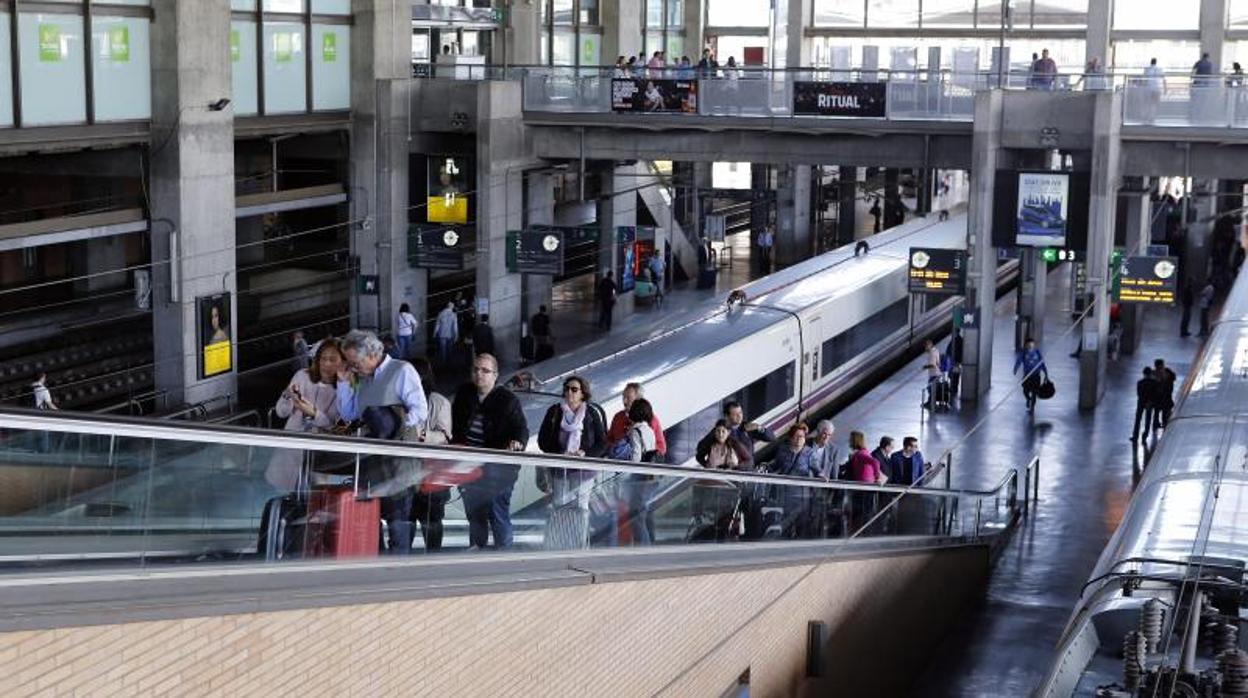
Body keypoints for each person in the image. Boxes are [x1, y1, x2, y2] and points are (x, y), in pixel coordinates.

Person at [335, 331, 428, 555]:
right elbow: (349, 414)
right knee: (371, 522)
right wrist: (343, 384)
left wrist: (394, 423)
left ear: (372, 354)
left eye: (355, 363)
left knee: (398, 524)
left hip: (399, 463)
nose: (353, 368)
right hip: (372, 463)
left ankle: (399, 575)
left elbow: (421, 410)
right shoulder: (363, 380)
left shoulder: (402, 370)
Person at [451, 353, 528, 549]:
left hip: (498, 472)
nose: (479, 374)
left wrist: (517, 442)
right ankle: (477, 555)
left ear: (495, 375)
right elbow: (457, 430)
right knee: (475, 514)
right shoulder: (464, 394)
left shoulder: (507, 400)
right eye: (476, 369)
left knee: (497, 512)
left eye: (485, 370)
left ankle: (504, 558)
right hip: (470, 468)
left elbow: (521, 429)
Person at [537, 375, 607, 549]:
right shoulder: (555, 411)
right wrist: (561, 453)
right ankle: (559, 544)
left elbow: (602, 443)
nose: (569, 392)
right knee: (560, 505)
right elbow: (543, 441)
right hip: (561, 469)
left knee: (581, 508)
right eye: (567, 388)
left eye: (574, 389)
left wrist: (585, 453)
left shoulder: (591, 413)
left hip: (584, 470)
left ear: (583, 393)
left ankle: (578, 545)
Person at [409, 357, 453, 551]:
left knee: (432, 522)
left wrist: (420, 435)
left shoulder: (439, 402)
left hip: (431, 476)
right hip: (406, 473)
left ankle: (433, 561)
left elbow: (445, 437)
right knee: (405, 520)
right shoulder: (399, 400)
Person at [617, 398, 660, 544]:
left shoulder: (636, 431)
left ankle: (642, 549)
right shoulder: (649, 429)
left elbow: (636, 456)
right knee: (644, 516)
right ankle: (647, 547)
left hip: (639, 479)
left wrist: (627, 470)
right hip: (651, 477)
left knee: (636, 518)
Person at [767, 424, 819, 538]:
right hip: (785, 494)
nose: (799, 439)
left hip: (802, 495)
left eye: (802, 436)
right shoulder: (783, 450)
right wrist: (766, 468)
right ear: (790, 438)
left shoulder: (809, 452)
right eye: (796, 436)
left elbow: (817, 469)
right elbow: (776, 466)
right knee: (785, 523)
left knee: (801, 525)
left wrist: (822, 475)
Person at [698, 400, 774, 468]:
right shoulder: (719, 431)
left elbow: (771, 438)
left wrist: (759, 428)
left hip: (747, 473)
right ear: (726, 416)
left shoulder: (747, 427)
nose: (740, 416)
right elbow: (700, 450)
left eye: (740, 412)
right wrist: (709, 468)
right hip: (728, 476)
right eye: (735, 414)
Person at [608, 383, 668, 459]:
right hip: (618, 463)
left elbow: (661, 447)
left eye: (628, 398)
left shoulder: (650, 419)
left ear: (638, 400)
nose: (624, 401)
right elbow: (609, 439)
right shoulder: (618, 417)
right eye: (623, 397)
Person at [1013, 337, 1048, 413]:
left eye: (1032, 344)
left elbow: (1042, 363)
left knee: (1034, 392)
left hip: (1036, 375)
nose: (1030, 346)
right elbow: (1019, 361)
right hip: (1027, 375)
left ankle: (1032, 409)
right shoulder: (1023, 353)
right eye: (1028, 344)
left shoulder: (1037, 352)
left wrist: (1046, 374)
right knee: (1025, 391)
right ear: (1025, 345)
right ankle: (1028, 399)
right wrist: (1015, 369)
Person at [1130, 366, 1158, 444]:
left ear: (1144, 374)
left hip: (1141, 403)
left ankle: (1135, 436)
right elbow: (1156, 394)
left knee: (1138, 420)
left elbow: (1138, 393)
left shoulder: (1140, 382)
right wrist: (1151, 401)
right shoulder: (1155, 383)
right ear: (1150, 374)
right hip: (1150, 403)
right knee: (1147, 420)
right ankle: (1144, 436)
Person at [1153, 359, 1177, 431]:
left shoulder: (1168, 373)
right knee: (1159, 412)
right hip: (1160, 398)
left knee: (1163, 412)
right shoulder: (1155, 374)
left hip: (1165, 398)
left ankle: (1162, 424)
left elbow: (1172, 378)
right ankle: (1159, 424)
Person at [433, 301, 458, 365]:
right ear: (452, 307)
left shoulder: (440, 314)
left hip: (442, 334)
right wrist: (456, 335)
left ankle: (443, 363)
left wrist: (434, 333)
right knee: (450, 349)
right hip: (450, 335)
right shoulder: (453, 315)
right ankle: (449, 363)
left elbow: (437, 325)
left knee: (442, 350)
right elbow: (455, 327)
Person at [921, 339, 944, 408]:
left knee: (931, 389)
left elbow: (933, 365)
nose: (925, 348)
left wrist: (925, 367)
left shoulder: (932, 353)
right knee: (932, 389)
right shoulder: (936, 350)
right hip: (937, 373)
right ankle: (930, 402)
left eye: (926, 346)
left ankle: (931, 403)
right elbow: (938, 363)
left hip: (934, 374)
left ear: (930, 345)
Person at [1143, 58, 1165, 124]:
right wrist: (1165, 88)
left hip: (1148, 88)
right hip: (1157, 88)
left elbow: (1144, 79)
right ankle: (1152, 118)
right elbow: (1163, 79)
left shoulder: (1146, 69)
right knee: (1154, 104)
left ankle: (1146, 117)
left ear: (1151, 62)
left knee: (1147, 104)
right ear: (1156, 62)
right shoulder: (1159, 69)